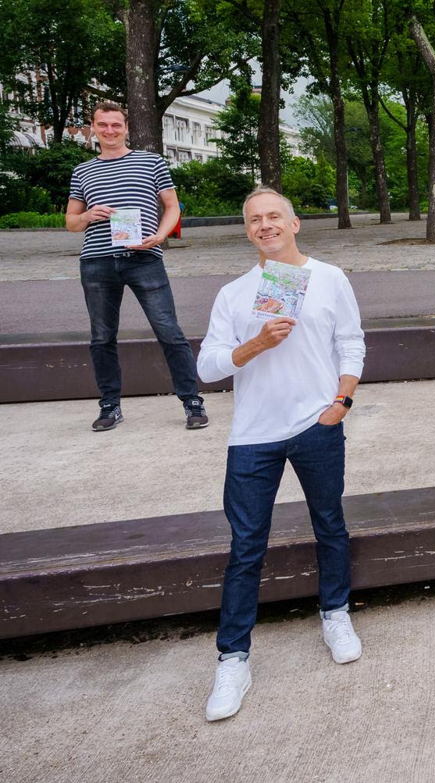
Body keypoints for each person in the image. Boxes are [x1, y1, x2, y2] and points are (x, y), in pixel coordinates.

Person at [197, 187, 367, 722]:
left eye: (274, 217)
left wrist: (340, 402)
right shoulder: (234, 293)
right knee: (247, 545)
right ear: (247, 230)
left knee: (329, 524)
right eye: (255, 220)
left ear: (295, 223)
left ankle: (335, 612)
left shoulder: (330, 278)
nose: (265, 225)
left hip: (316, 423)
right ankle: (233, 658)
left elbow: (352, 343)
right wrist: (256, 345)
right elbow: (207, 367)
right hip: (253, 435)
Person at [64, 100, 206, 432]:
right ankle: (110, 406)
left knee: (169, 332)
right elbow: (71, 222)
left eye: (116, 125)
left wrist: (159, 236)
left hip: (144, 257)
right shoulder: (82, 171)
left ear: (126, 127)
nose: (110, 131)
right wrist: (87, 216)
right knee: (101, 338)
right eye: (103, 125)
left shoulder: (151, 162)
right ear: (94, 127)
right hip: (97, 261)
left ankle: (192, 401)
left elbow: (172, 206)